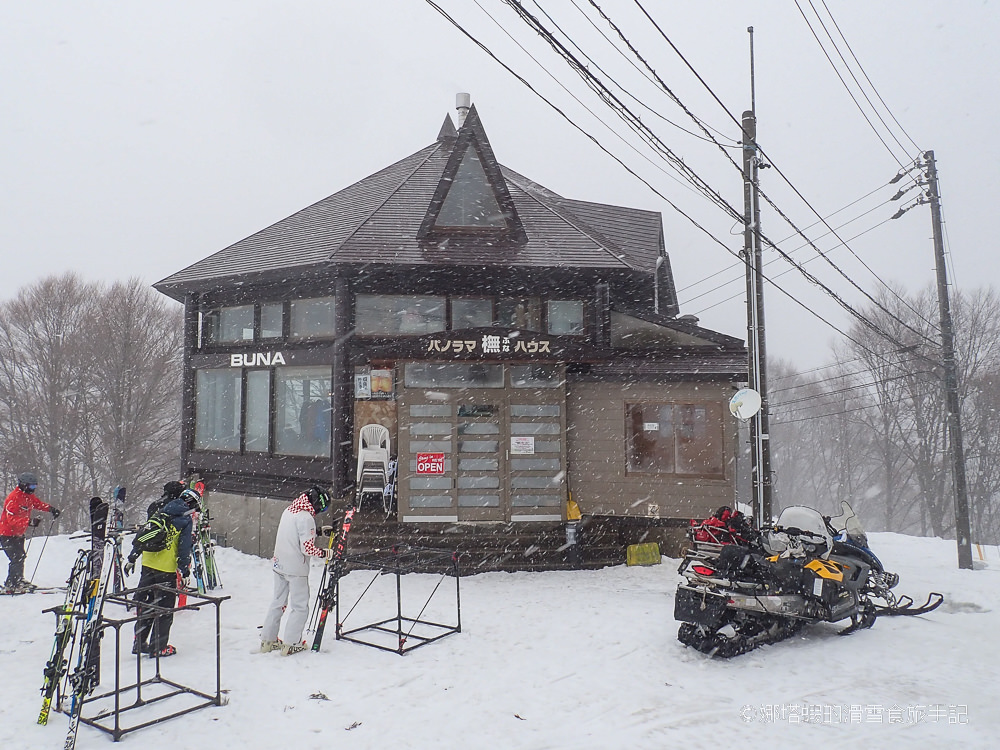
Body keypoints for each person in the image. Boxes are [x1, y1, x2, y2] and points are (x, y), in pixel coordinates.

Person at [260, 486, 333, 656]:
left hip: (279, 564)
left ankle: (268, 640)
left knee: (278, 602)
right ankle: (292, 643)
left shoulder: (289, 511)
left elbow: (295, 534)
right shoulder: (306, 518)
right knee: (300, 606)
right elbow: (307, 548)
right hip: (296, 569)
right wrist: (325, 553)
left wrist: (318, 532)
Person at [124, 486, 197, 657]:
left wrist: (132, 557)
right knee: (165, 610)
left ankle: (139, 642)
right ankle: (159, 647)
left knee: (147, 605)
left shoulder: (161, 511)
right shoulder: (184, 519)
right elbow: (183, 548)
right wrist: (185, 570)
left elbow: (145, 534)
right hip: (165, 568)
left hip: (148, 564)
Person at [0, 472, 60, 593]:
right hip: (7, 534)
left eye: (35, 486)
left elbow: (37, 504)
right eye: (31, 486)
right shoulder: (13, 498)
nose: (33, 489)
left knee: (21, 556)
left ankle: (18, 579)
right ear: (23, 485)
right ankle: (12, 584)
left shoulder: (28, 496)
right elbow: (11, 520)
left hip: (18, 534)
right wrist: (29, 522)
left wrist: (50, 509)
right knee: (17, 557)